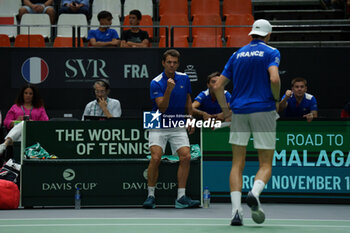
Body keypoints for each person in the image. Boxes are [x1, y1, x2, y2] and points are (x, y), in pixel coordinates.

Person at [213, 19, 281, 226]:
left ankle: (236, 212)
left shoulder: (237, 55)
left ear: (251, 34)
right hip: (264, 110)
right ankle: (254, 192)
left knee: (237, 163)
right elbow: (275, 79)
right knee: (266, 162)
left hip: (240, 112)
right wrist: (276, 99)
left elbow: (217, 86)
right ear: (268, 35)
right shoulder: (271, 52)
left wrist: (226, 111)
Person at [143, 49, 200, 209]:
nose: (172, 65)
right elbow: (161, 108)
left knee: (186, 156)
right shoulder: (156, 82)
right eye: (169, 62)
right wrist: (168, 89)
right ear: (163, 63)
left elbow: (188, 98)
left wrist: (190, 117)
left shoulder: (184, 78)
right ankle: (151, 195)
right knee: (155, 157)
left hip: (177, 122)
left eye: (175, 63)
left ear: (178, 64)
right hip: (157, 122)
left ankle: (181, 197)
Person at [0, 85, 49, 157]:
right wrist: (15, 121)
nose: (28, 95)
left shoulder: (39, 108)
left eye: (30, 94)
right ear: (22, 94)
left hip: (33, 134)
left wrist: (33, 123)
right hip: (18, 136)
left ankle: (5, 144)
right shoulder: (15, 107)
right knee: (22, 125)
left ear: (34, 95)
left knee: (24, 123)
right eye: (25, 93)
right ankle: (23, 159)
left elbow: (46, 123)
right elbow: (6, 122)